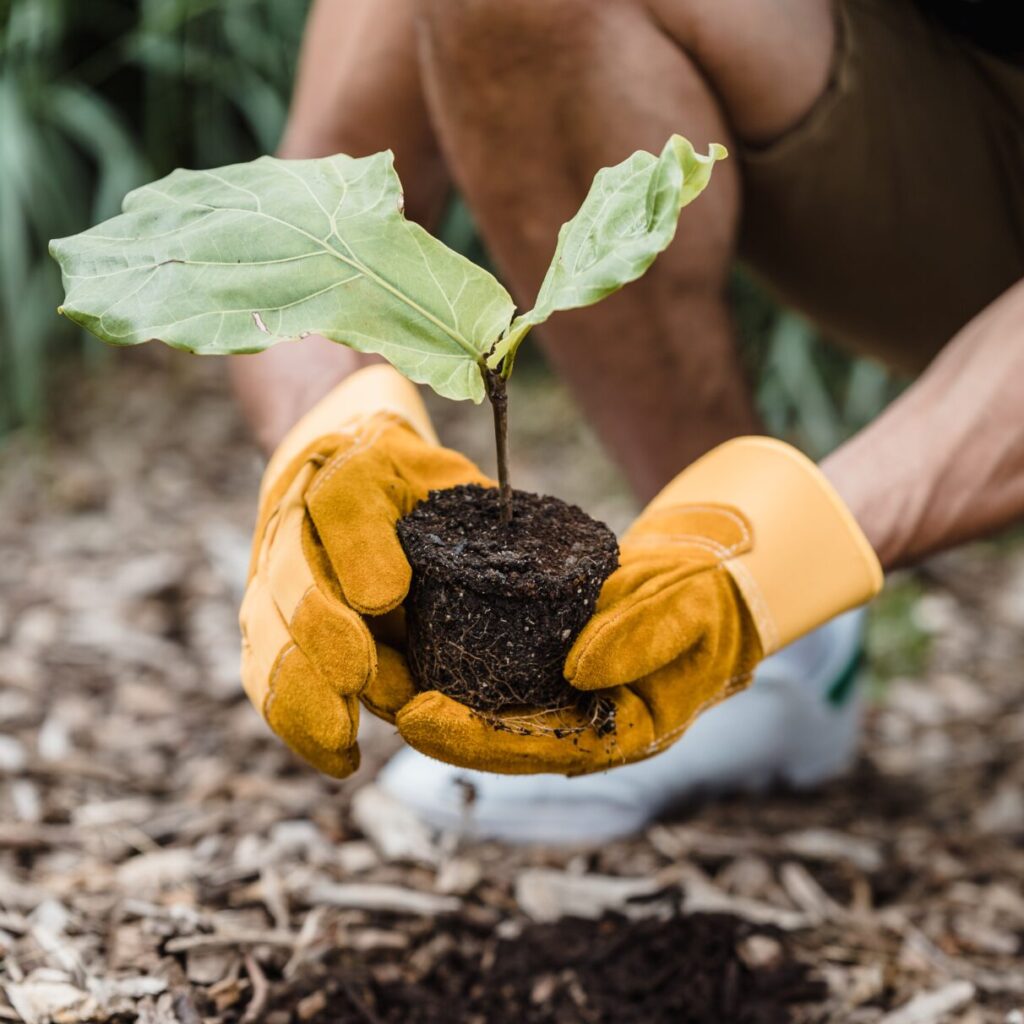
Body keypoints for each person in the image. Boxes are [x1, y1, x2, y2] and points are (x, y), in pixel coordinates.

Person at [233, 0, 1024, 843]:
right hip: (931, 152)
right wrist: (327, 429)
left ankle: (747, 632)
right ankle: (761, 666)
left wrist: (791, 547)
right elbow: (310, 216)